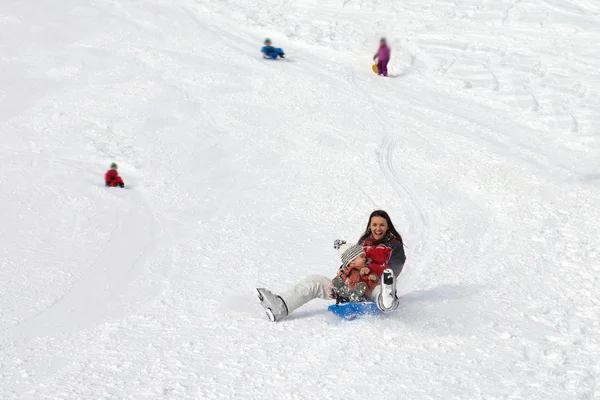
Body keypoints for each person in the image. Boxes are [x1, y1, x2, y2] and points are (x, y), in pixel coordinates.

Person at [256, 210, 406, 322]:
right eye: (374, 224)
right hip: (352, 285)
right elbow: (350, 261)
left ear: (388, 227)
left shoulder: (394, 246)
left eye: (381, 225)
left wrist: (371, 270)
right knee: (316, 281)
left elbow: (395, 269)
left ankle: (386, 301)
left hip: (374, 285)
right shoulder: (363, 244)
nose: (378, 228)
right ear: (369, 226)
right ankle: (280, 306)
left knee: (382, 286)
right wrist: (343, 272)